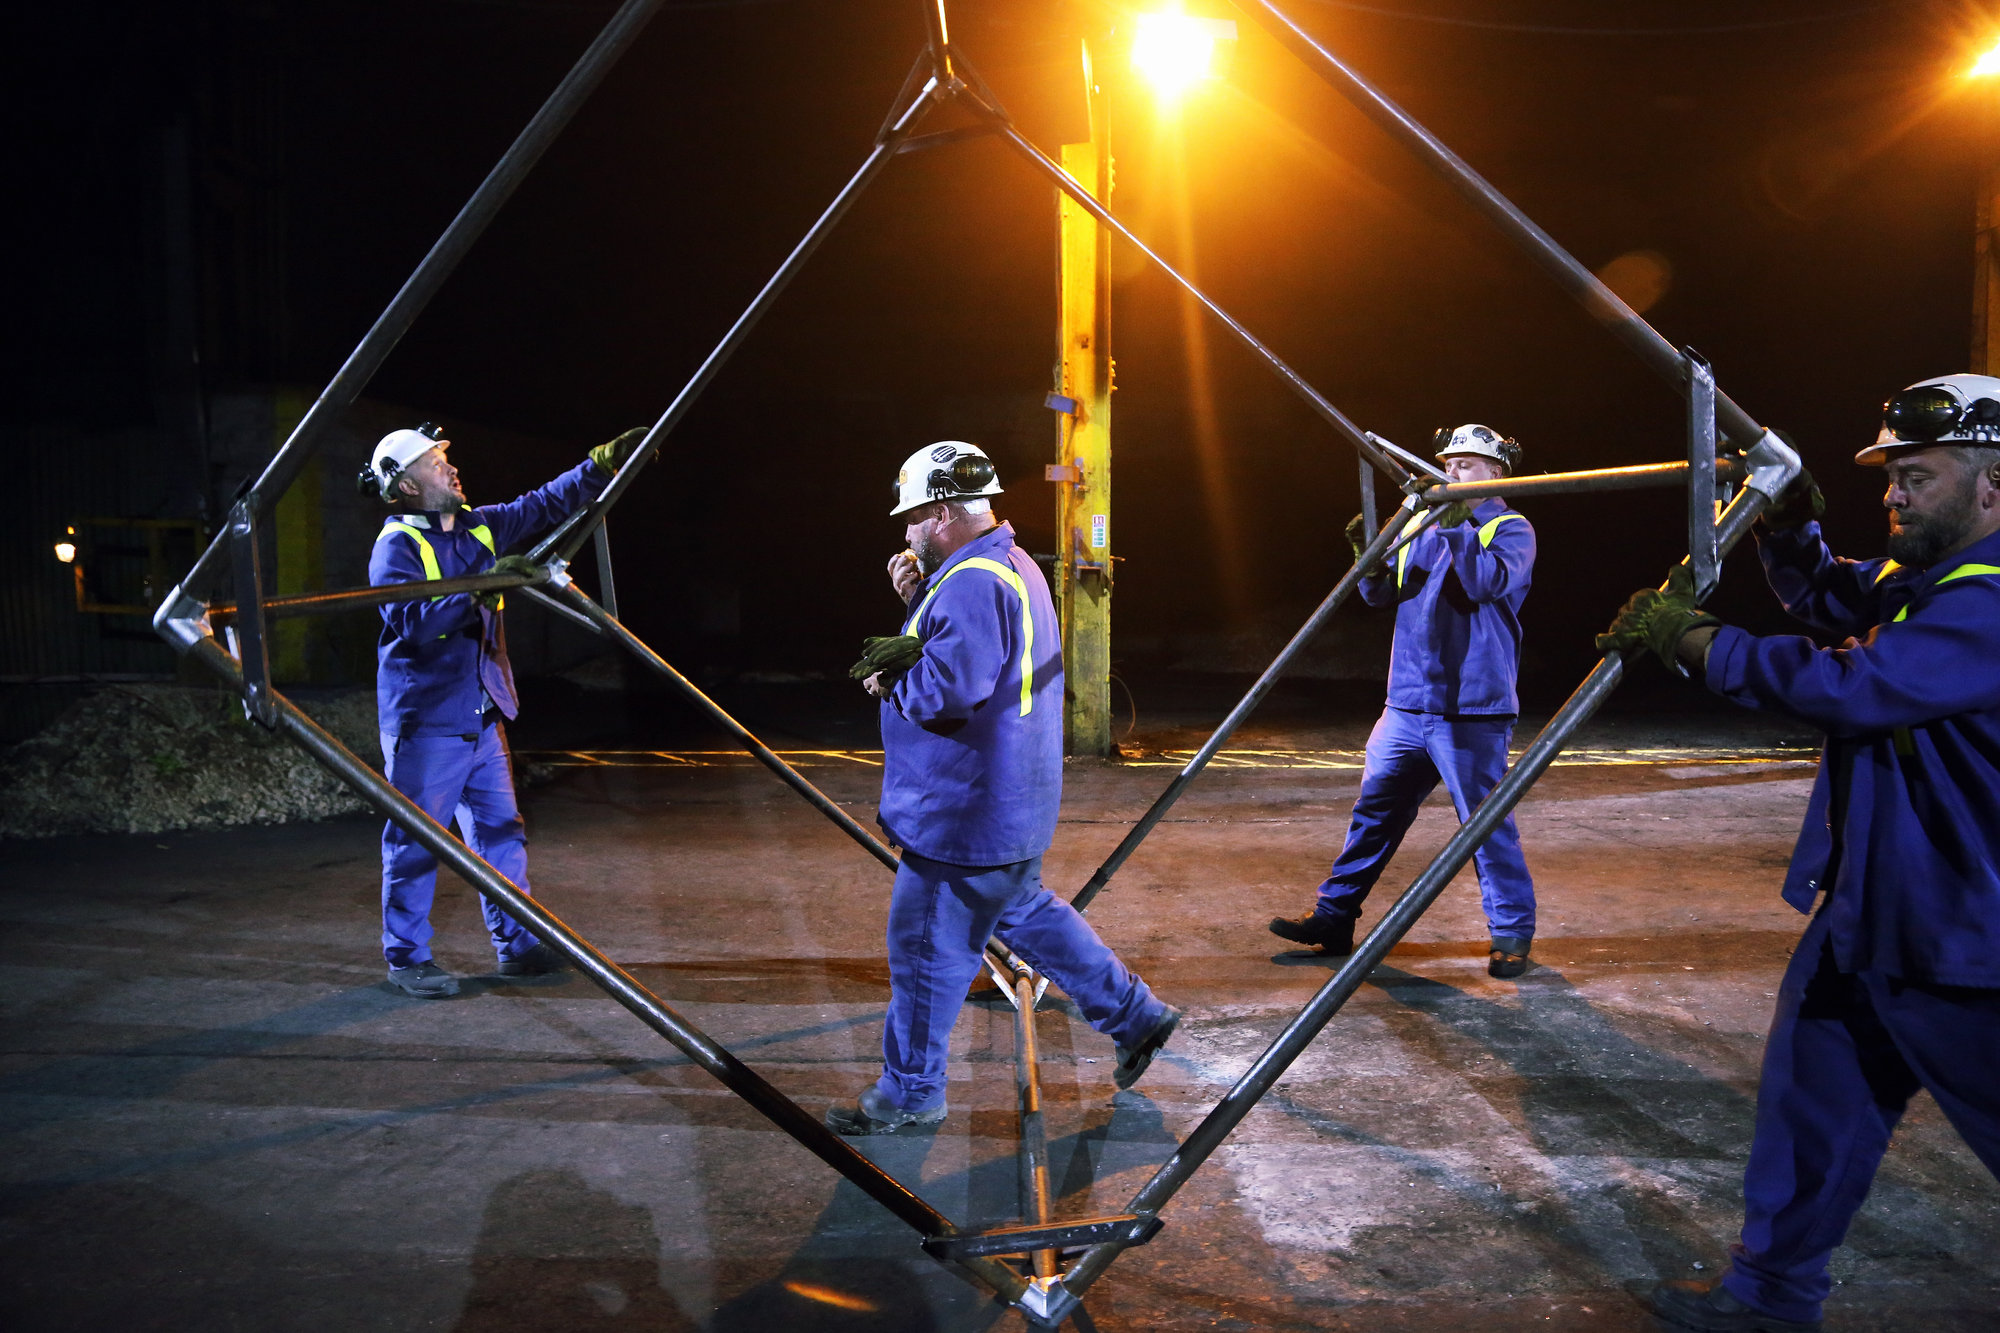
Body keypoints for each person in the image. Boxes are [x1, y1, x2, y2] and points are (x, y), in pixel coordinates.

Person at [1597, 374, 2000, 1333]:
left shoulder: (1990, 607)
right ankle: (1769, 1300)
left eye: (1921, 475)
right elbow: (1832, 595)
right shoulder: (1928, 582)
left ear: (1993, 485)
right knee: (1813, 1110)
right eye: (1892, 474)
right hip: (1873, 911)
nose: (1895, 494)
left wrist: (1697, 644)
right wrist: (1786, 529)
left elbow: (1851, 685)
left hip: (1966, 936)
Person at [825, 441, 1180, 1135]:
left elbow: (945, 695)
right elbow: (971, 649)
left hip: (961, 815)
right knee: (1026, 910)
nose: (907, 532)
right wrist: (915, 599)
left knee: (926, 948)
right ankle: (1136, 1014)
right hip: (1007, 807)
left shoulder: (969, 583)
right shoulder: (1007, 565)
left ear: (948, 515)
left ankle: (910, 1092)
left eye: (916, 517)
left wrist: (888, 676)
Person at [359, 420, 646, 998]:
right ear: (408, 486)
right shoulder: (397, 547)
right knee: (416, 842)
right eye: (435, 463)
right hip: (428, 723)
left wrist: (599, 466)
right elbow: (415, 625)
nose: (450, 467)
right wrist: (484, 586)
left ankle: (516, 947)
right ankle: (407, 958)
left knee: (500, 834)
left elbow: (542, 504)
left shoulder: (477, 527)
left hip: (482, 715)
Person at [1269, 424, 1542, 978]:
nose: (1450, 471)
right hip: (1407, 704)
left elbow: (1485, 584)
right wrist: (1369, 551)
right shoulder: (1424, 524)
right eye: (1447, 462)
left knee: (1484, 826)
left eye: (1464, 465)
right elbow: (1378, 594)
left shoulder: (1511, 529)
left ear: (1494, 473)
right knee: (1373, 815)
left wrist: (1458, 526)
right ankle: (1333, 916)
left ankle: (1512, 931)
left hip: (1472, 709)